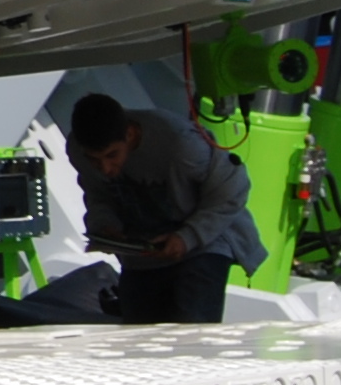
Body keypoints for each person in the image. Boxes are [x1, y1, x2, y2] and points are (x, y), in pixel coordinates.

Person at [66, 93, 265, 324]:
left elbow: (232, 189)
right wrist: (105, 226)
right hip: (143, 251)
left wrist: (188, 237)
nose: (105, 168)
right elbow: (98, 195)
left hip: (204, 242)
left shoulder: (180, 143)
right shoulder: (77, 151)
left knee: (190, 331)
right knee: (138, 332)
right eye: (94, 160)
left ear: (130, 134)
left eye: (112, 155)